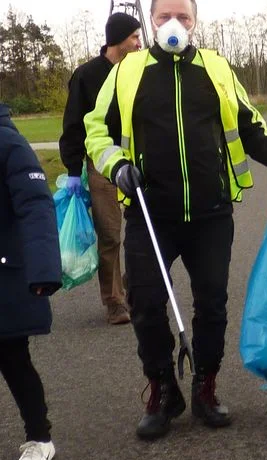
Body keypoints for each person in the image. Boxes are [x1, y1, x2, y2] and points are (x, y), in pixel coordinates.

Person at [84, 0, 267, 441]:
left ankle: (206, 385)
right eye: (165, 16)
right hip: (152, 214)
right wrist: (117, 166)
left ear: (194, 21)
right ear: (151, 22)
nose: (174, 25)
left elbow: (249, 124)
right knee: (145, 303)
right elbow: (97, 130)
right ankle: (163, 388)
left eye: (182, 17)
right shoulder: (127, 73)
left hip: (210, 214)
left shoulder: (217, 67)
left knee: (212, 304)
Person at [59, 12, 142, 325]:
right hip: (102, 166)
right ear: (117, 40)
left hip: (138, 165)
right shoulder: (87, 75)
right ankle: (114, 302)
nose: (139, 43)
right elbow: (73, 124)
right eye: (134, 37)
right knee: (109, 235)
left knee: (145, 231)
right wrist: (71, 169)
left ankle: (133, 285)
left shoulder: (138, 70)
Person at [0, 104, 62, 460]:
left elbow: (36, 206)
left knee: (12, 358)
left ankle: (40, 438)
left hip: (5, 273)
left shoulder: (9, 142)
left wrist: (42, 269)